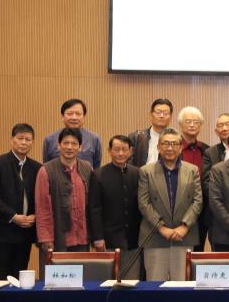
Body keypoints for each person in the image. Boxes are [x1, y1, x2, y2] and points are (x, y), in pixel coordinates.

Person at [138, 128, 202, 281]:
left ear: (180, 148)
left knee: (181, 286)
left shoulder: (192, 170)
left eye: (174, 144)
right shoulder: (146, 171)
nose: (170, 148)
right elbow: (144, 203)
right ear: (158, 147)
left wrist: (184, 227)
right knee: (154, 285)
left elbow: (197, 201)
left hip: (184, 236)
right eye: (165, 143)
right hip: (155, 236)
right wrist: (162, 228)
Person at [0, 123, 42, 279]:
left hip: (25, 233)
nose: (24, 142)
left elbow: (41, 198)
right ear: (12, 140)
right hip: (1, 233)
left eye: (28, 139)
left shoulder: (37, 167)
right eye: (20, 138)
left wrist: (35, 216)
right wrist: (13, 216)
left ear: (32, 142)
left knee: (20, 279)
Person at [35, 127, 93, 265]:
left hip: (82, 239)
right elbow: (42, 208)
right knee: (56, 277)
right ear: (58, 145)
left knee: (81, 276)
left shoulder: (87, 168)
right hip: (56, 240)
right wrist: (46, 238)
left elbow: (93, 204)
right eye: (66, 143)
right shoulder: (46, 170)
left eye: (74, 144)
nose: (69, 147)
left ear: (80, 147)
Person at [89, 135, 142, 279]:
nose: (121, 153)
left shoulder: (137, 173)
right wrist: (98, 238)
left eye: (124, 149)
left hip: (133, 239)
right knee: (108, 281)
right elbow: (94, 209)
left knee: (132, 281)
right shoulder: (98, 175)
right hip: (108, 239)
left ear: (130, 151)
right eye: (117, 149)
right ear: (109, 151)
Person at [177, 106, 209, 252]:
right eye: (188, 121)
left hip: (201, 207)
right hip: (179, 206)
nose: (192, 125)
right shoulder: (172, 149)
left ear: (201, 126)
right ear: (180, 124)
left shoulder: (206, 150)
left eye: (196, 122)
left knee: (198, 250)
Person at [43, 98, 102, 168]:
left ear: (84, 117)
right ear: (62, 116)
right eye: (70, 114)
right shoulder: (50, 139)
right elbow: (47, 166)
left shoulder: (94, 139)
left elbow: (96, 167)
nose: (74, 117)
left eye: (78, 114)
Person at [129, 98, 174, 167]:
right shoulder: (136, 137)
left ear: (170, 117)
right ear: (151, 114)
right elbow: (129, 165)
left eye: (165, 113)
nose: (161, 116)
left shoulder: (176, 140)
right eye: (158, 112)